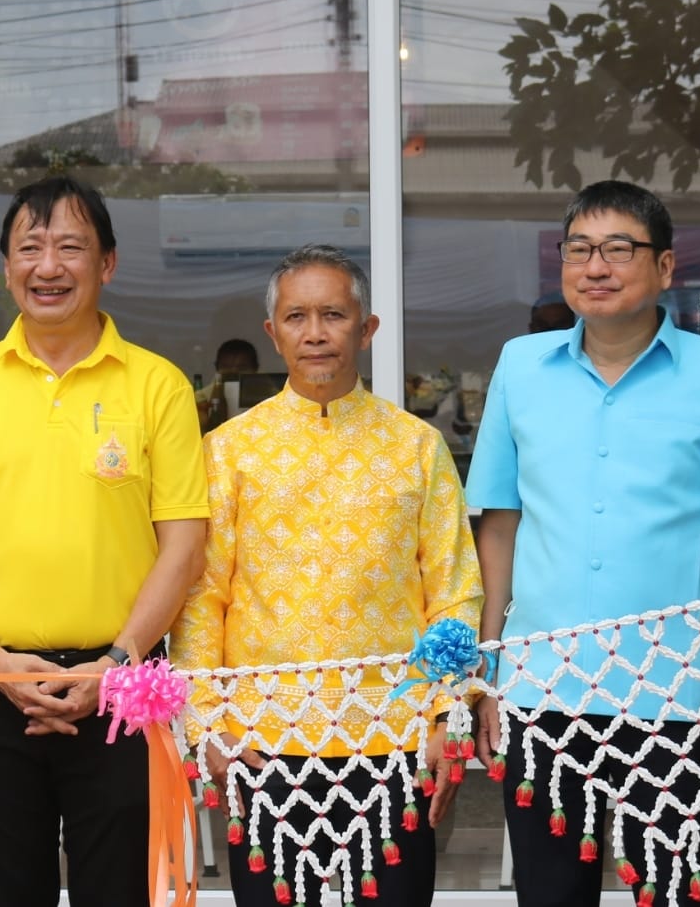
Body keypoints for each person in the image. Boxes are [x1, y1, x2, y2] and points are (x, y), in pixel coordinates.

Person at [468, 181, 700, 907]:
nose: (595, 266)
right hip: (539, 690)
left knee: (674, 895)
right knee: (549, 896)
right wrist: (487, 671)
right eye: (578, 249)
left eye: (618, 248)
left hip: (671, 693)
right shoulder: (520, 367)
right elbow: (499, 529)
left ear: (666, 268)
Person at [0, 176, 209, 907]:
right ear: (7, 266)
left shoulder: (158, 386)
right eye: (31, 248)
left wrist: (116, 664)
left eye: (71, 246)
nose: (49, 266)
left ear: (106, 263)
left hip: (121, 694)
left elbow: (184, 545)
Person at [174, 244, 483, 907]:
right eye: (297, 316)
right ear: (273, 332)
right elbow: (203, 595)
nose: (315, 333)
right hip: (264, 743)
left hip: (393, 737)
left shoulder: (417, 447)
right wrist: (207, 724)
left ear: (366, 328)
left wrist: (446, 714)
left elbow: (454, 589)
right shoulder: (229, 450)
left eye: (334, 315)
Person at [197, 336, 261, 433]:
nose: (233, 371)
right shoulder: (201, 399)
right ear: (217, 367)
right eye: (226, 367)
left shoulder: (268, 395)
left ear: (255, 368)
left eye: (242, 367)